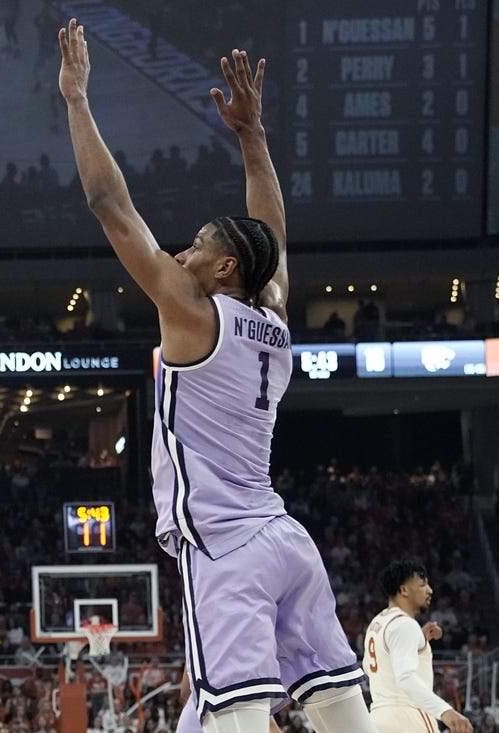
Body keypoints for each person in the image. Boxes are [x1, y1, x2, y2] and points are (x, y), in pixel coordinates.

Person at [58, 19, 374, 733]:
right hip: (287, 541)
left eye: (199, 245)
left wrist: (76, 101)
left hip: (226, 546)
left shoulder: (192, 313)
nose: (183, 249)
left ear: (223, 269)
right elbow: (273, 238)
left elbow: (110, 206)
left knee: (234, 716)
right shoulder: (273, 312)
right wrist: (251, 136)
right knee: (342, 714)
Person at [363, 560, 473, 733]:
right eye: (422, 585)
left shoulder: (377, 623)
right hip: (409, 717)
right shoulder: (405, 625)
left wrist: (417, 641)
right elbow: (405, 678)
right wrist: (445, 711)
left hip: (378, 718)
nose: (430, 590)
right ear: (404, 590)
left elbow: (369, 668)